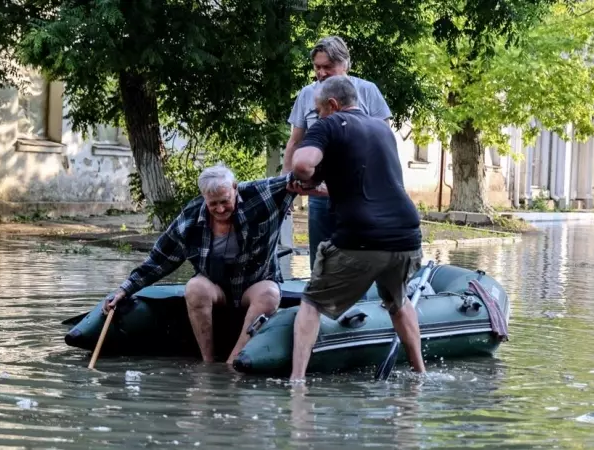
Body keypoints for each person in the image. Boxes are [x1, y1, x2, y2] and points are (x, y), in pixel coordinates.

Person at [287, 75, 425, 382]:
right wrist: (320, 186)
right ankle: (420, 374)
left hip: (361, 238)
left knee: (311, 302)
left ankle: (296, 382)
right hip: (406, 236)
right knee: (398, 302)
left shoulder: (330, 124)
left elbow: (302, 164)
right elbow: (365, 185)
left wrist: (304, 175)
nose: (318, 116)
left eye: (319, 109)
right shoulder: (381, 129)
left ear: (333, 105)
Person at [103, 164, 298, 365]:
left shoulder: (260, 193)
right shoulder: (189, 220)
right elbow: (158, 260)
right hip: (216, 288)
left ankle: (233, 362)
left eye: (225, 201)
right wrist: (124, 290)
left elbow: (301, 176)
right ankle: (208, 363)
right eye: (213, 204)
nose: (220, 209)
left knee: (270, 294)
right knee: (194, 287)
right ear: (203, 197)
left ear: (234, 188)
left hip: (255, 284)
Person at [282, 36, 393, 269]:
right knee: (321, 260)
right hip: (320, 193)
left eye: (327, 67)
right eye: (317, 67)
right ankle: (319, 300)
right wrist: (285, 184)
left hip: (359, 194)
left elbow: (383, 142)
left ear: (345, 65)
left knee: (359, 259)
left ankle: (359, 302)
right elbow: (295, 142)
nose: (321, 73)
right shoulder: (306, 95)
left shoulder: (367, 91)